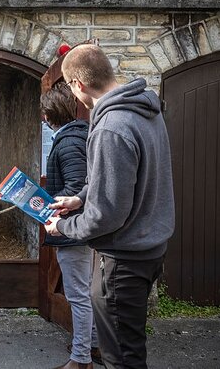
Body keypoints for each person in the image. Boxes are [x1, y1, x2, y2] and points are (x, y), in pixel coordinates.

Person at [45, 44, 175, 369]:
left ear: (78, 85)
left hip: (122, 262)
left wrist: (62, 226)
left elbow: (106, 216)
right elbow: (120, 178)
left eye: (73, 91)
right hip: (149, 250)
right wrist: (81, 198)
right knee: (130, 349)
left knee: (121, 359)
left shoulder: (110, 127)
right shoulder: (145, 110)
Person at [41, 82, 100, 369]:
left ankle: (81, 360)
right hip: (77, 227)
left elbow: (76, 188)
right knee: (86, 292)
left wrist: (55, 216)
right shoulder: (78, 136)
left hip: (73, 230)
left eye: (44, 113)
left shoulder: (68, 142)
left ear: (50, 115)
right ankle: (93, 346)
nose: (43, 118)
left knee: (78, 295)